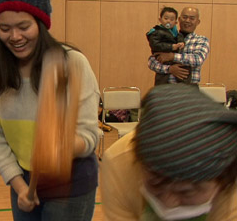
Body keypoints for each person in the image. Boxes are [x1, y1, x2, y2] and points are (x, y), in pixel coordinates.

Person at [0, 0, 100, 220]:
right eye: (5, 28)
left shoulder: (72, 63)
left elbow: (90, 136)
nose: (15, 36)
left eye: (24, 26)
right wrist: (20, 186)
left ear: (42, 23)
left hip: (71, 183)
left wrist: (61, 147)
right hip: (23, 180)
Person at [100, 83, 237, 220]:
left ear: (222, 180)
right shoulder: (120, 162)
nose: (168, 203)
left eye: (185, 192)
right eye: (155, 187)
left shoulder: (230, 174)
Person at [148, 7, 209, 86]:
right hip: (164, 89)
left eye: (192, 18)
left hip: (188, 91)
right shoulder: (165, 36)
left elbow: (198, 60)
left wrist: (172, 56)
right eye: (185, 17)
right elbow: (151, 62)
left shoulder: (201, 40)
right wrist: (169, 69)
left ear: (198, 22)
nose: (187, 20)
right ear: (179, 20)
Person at [146, 7, 190, 85]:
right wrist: (171, 47)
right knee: (162, 79)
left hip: (173, 59)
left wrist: (181, 42)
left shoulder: (175, 32)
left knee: (184, 71)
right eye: (166, 18)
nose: (168, 21)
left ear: (176, 22)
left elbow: (179, 36)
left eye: (172, 19)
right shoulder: (156, 31)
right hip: (161, 57)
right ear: (160, 19)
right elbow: (155, 45)